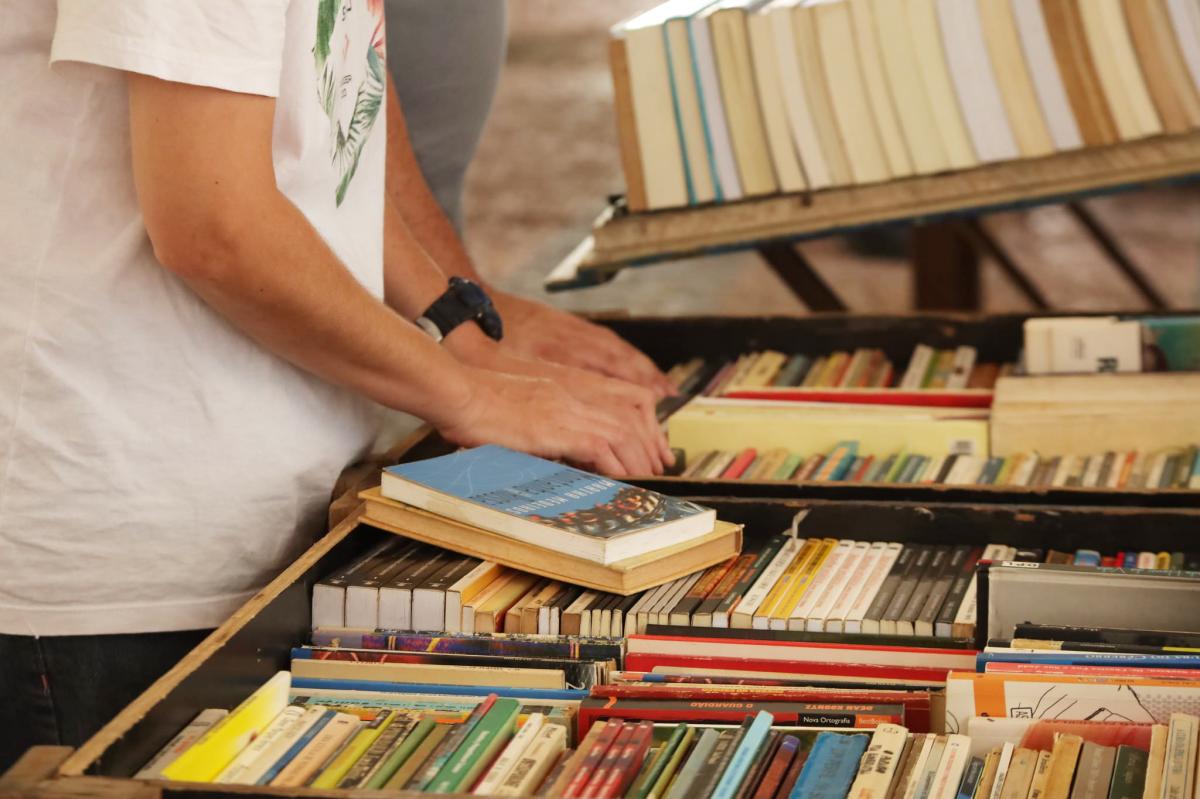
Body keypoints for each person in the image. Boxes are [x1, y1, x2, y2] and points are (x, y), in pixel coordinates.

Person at [0, 1, 671, 771]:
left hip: (254, 494)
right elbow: (213, 225)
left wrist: (460, 327)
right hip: (125, 541)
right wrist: (469, 396)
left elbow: (332, 112)